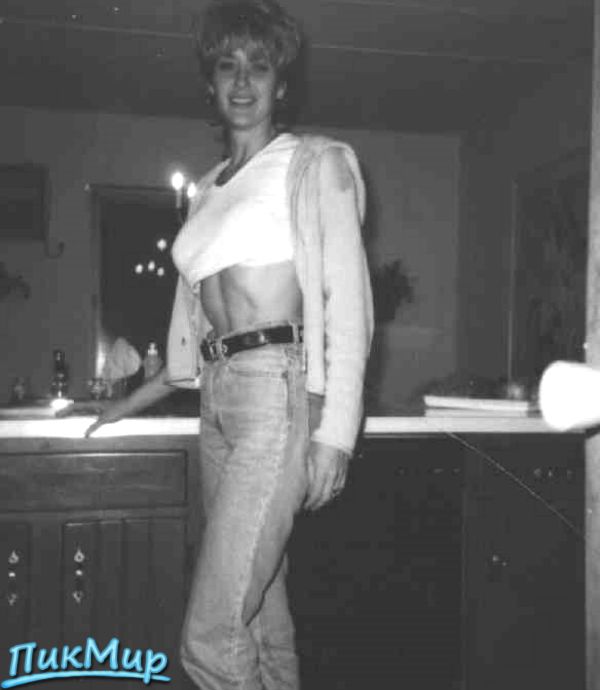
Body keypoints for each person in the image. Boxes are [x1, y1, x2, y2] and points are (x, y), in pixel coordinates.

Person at [84, 0, 374, 687]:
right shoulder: (207, 189)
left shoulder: (314, 164)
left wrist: (336, 435)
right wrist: (126, 405)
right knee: (261, 618)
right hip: (216, 403)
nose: (242, 81)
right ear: (210, 84)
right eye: (227, 66)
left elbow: (350, 305)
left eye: (259, 66)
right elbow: (192, 341)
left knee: (210, 640)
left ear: (281, 83)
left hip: (277, 391)